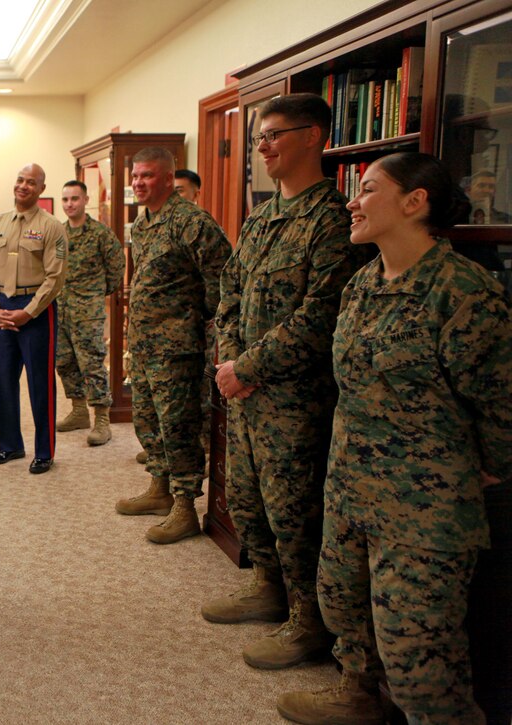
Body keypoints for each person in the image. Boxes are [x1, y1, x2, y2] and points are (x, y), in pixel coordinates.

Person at [278, 152, 512, 723]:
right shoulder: (362, 284)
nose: (352, 203)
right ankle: (357, 696)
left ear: (415, 202)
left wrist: (484, 467)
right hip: (351, 491)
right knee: (343, 610)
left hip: (424, 512)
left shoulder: (464, 293)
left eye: (367, 189)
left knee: (420, 665)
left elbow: (501, 404)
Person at [204, 93, 369, 669]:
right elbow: (229, 294)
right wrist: (230, 364)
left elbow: (320, 316)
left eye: (274, 134)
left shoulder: (333, 221)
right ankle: (269, 588)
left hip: (296, 400)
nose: (264, 147)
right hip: (244, 393)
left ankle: (309, 622)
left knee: (296, 511)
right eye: (259, 138)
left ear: (313, 137)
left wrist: (244, 370)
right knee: (250, 503)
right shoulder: (261, 217)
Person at [114, 148, 231, 544]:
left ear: (168, 178)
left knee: (179, 425)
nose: (138, 183)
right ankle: (159, 488)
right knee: (147, 418)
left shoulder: (192, 222)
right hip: (145, 343)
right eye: (135, 177)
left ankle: (184, 506)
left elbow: (223, 278)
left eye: (146, 176)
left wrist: (205, 327)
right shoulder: (142, 222)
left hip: (179, 347)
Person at [0, 163, 67, 474]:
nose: (24, 186)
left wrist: (28, 312)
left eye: (32, 182)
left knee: (39, 384)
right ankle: (10, 445)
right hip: (2, 308)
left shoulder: (52, 226)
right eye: (20, 180)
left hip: (37, 311)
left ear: (41, 189)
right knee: (4, 379)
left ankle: (44, 451)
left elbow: (55, 279)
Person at [54, 180, 125, 446]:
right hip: (61, 310)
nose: (70, 204)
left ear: (85, 200)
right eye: (65, 199)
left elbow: (117, 266)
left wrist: (97, 293)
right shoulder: (57, 233)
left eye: (74, 198)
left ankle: (102, 420)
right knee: (64, 362)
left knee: (92, 365)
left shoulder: (100, 233)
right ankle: (79, 411)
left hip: (88, 312)